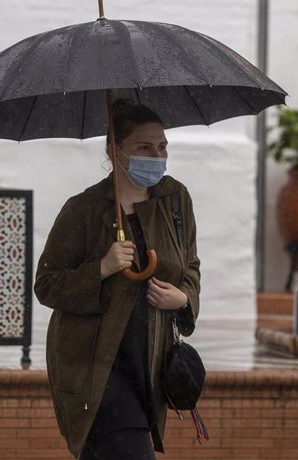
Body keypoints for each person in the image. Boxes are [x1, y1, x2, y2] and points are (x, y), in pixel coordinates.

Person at [34, 99, 201, 460]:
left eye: (162, 146)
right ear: (115, 149)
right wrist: (102, 268)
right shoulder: (84, 210)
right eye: (144, 147)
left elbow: (191, 266)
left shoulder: (175, 200)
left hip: (151, 365)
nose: (156, 155)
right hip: (95, 368)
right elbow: (46, 284)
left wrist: (183, 299)